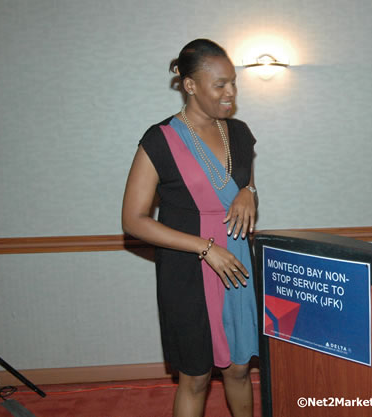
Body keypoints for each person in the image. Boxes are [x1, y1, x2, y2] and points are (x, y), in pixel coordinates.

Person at [122, 39, 259, 417]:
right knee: (196, 377)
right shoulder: (159, 140)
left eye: (233, 82)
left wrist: (250, 191)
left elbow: (244, 185)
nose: (230, 92)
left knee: (239, 368)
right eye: (220, 85)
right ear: (191, 86)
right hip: (187, 269)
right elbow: (133, 221)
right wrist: (205, 247)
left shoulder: (242, 134)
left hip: (237, 264)